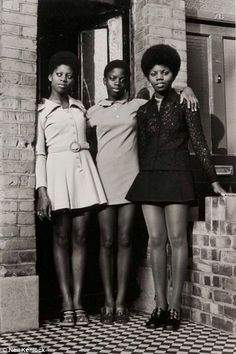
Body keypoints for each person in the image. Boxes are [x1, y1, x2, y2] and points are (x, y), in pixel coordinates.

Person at [86, 59, 199, 324]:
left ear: (128, 81)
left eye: (123, 77)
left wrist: (187, 87)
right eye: (112, 78)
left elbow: (164, 87)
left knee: (126, 240)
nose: (118, 82)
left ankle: (124, 301)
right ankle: (108, 301)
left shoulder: (139, 106)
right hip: (102, 182)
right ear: (104, 81)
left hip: (130, 181)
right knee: (106, 241)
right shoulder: (91, 111)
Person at [126, 45, 226, 330]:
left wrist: (214, 180)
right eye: (154, 73)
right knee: (156, 241)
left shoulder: (184, 103)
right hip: (150, 178)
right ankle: (159, 306)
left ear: (173, 74)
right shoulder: (143, 110)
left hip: (178, 176)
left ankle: (175, 308)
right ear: (148, 76)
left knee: (178, 240)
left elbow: (199, 143)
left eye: (165, 72)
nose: (159, 77)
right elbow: (142, 147)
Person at [35, 51, 107, 327]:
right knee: (61, 238)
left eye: (69, 75)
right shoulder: (41, 111)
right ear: (50, 76)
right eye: (59, 74)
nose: (64, 79)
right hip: (56, 174)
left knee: (81, 237)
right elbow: (40, 153)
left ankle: (78, 302)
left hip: (83, 172)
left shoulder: (80, 107)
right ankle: (65, 303)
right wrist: (42, 190)